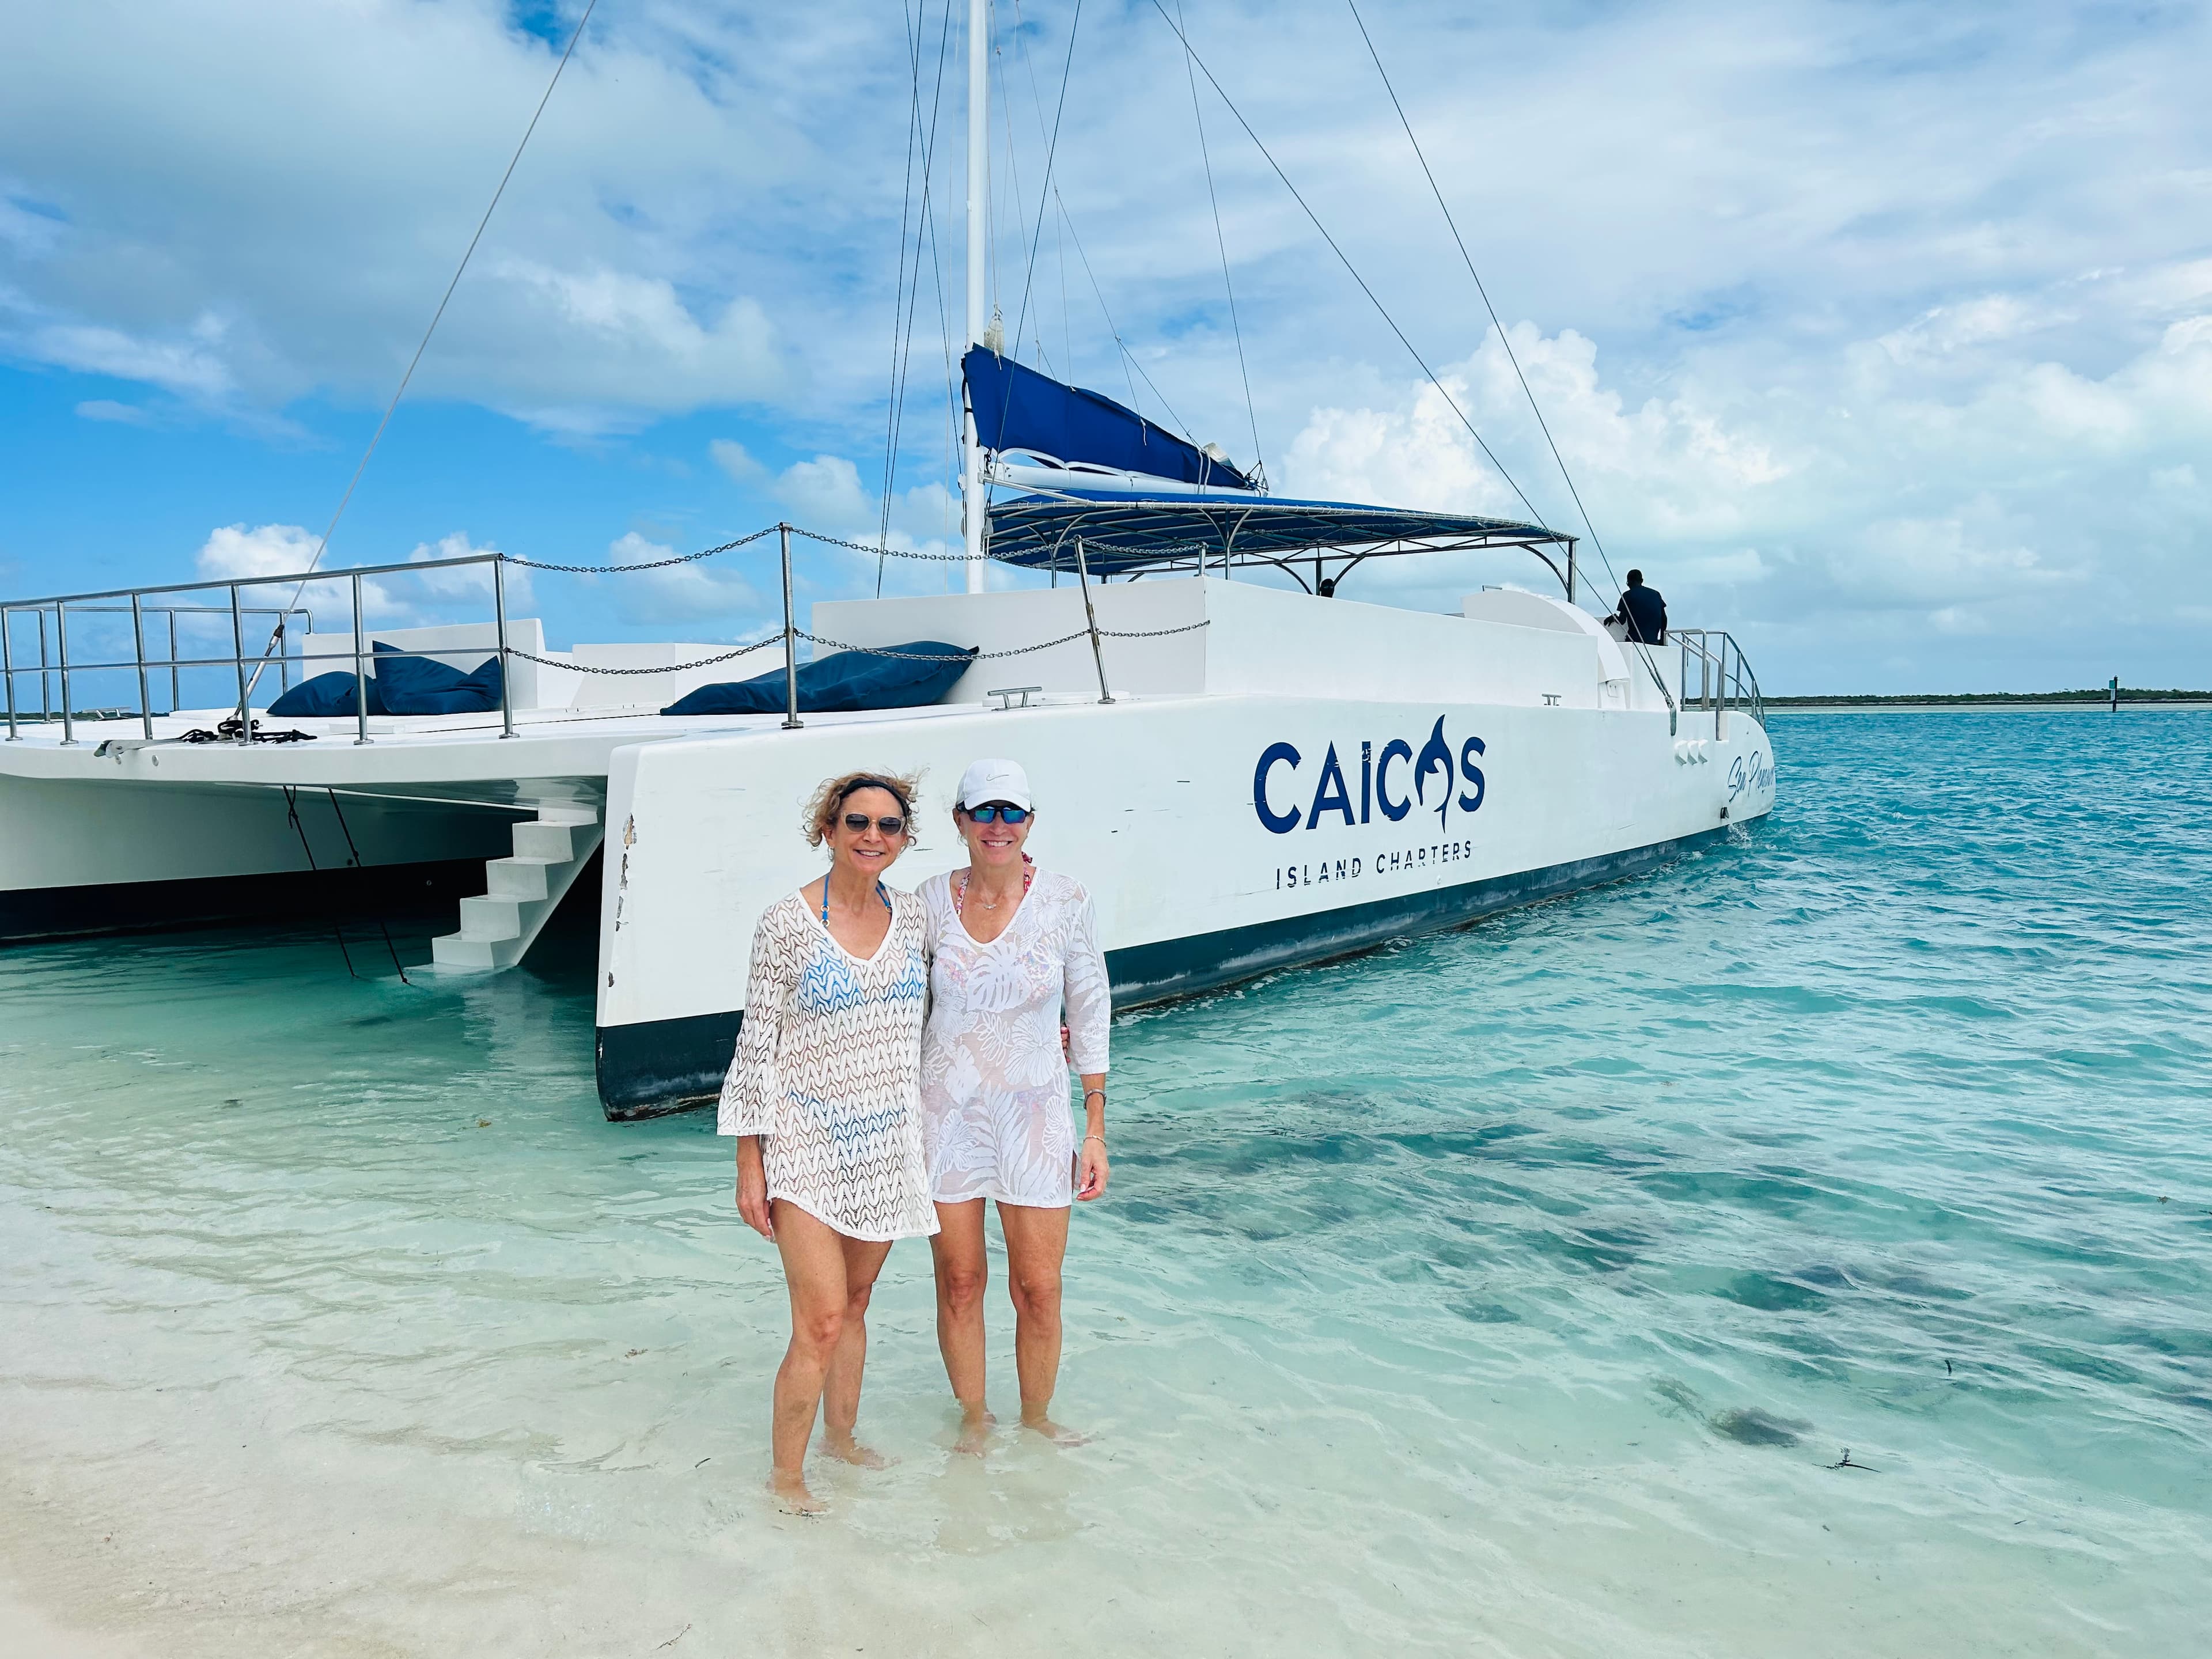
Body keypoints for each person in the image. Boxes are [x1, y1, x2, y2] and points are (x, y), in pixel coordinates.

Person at [720, 770, 935, 1514]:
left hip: (889, 1144)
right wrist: (749, 1160)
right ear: (829, 830)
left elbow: (963, 986)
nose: (873, 836)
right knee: (820, 1318)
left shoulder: (915, 918)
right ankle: (786, 1479)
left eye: (889, 825)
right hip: (805, 1144)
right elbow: (755, 1046)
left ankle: (840, 1441)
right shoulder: (784, 924)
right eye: (858, 823)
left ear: (904, 839)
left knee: (857, 1302)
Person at [918, 759, 1111, 1451]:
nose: (997, 825)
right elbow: (902, 1003)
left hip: (1035, 1115)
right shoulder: (928, 901)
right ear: (960, 821)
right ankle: (974, 1419)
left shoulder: (1066, 900)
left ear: (1029, 822)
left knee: (1039, 1288)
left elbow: (1090, 1009)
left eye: (1011, 813)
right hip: (946, 1115)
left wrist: (1095, 1127)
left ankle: (1036, 1418)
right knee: (959, 1282)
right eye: (983, 811)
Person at [1610, 569, 1667, 643]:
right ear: (1642, 581)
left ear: (1628, 583)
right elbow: (1664, 619)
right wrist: (1662, 640)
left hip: (1635, 641)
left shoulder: (1627, 595)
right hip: (1653, 641)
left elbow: (1622, 621)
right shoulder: (1656, 594)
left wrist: (1614, 617)